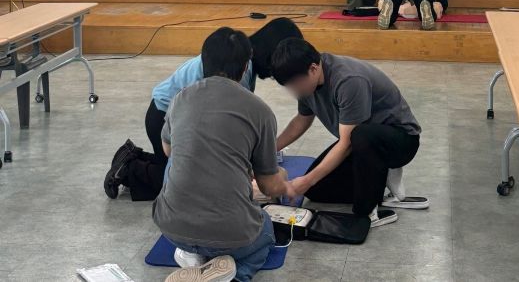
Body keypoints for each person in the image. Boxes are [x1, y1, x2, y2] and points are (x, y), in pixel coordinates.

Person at [104, 18, 303, 201]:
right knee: (184, 183)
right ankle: (128, 169)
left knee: (185, 169)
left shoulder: (239, 59)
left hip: (171, 112)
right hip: (164, 115)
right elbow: (228, 124)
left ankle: (133, 157)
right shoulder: (240, 68)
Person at [153, 27, 296, 282]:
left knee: (177, 158)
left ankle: (194, 257)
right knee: (265, 231)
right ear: (245, 67)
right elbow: (268, 186)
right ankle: (235, 274)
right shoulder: (259, 110)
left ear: (203, 61)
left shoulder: (180, 99)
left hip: (172, 228)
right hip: (231, 234)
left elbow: (168, 150)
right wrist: (284, 182)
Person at [271, 38, 428, 229]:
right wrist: (269, 150)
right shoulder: (307, 84)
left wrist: (306, 180)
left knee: (360, 136)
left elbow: (346, 144)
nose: (294, 91)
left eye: (295, 84)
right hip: (363, 143)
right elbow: (301, 120)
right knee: (316, 190)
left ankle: (368, 211)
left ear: (313, 69)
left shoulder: (348, 80)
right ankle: (378, 177)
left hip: (400, 140)